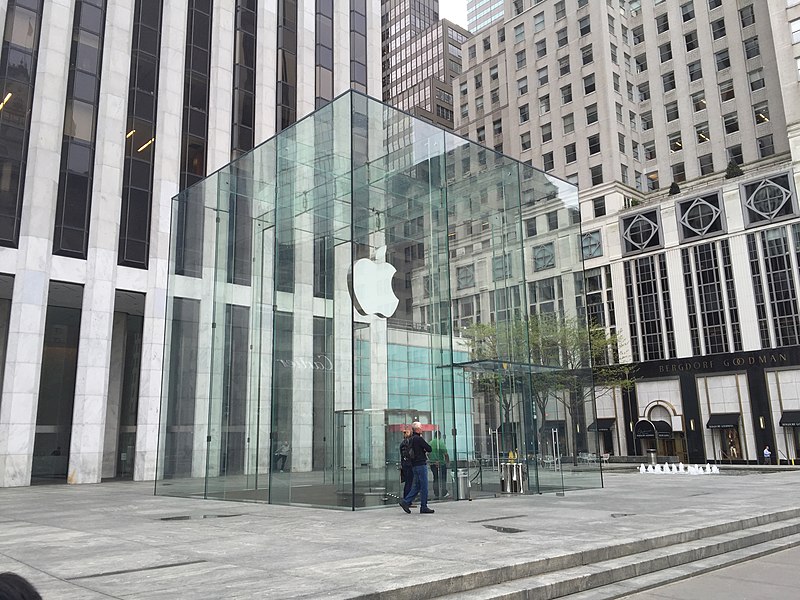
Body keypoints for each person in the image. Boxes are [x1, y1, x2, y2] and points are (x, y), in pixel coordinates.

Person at [399, 421, 434, 514]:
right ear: (418, 429)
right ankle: (424, 506)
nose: (422, 429)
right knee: (424, 486)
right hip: (421, 464)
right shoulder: (419, 439)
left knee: (417, 485)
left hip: (414, 465)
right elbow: (429, 448)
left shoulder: (410, 439)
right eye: (421, 427)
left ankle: (406, 501)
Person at [428, 430, 450, 499]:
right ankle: (444, 492)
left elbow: (427, 453)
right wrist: (447, 462)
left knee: (435, 478)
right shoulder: (440, 442)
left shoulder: (430, 442)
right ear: (440, 436)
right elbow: (445, 454)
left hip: (432, 463)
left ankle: (436, 493)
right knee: (443, 478)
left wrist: (432, 459)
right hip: (441, 463)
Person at [399, 428, 414, 501]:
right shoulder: (406, 443)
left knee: (409, 482)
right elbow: (406, 454)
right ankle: (407, 499)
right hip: (408, 465)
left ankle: (407, 499)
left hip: (406, 464)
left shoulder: (404, 443)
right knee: (409, 482)